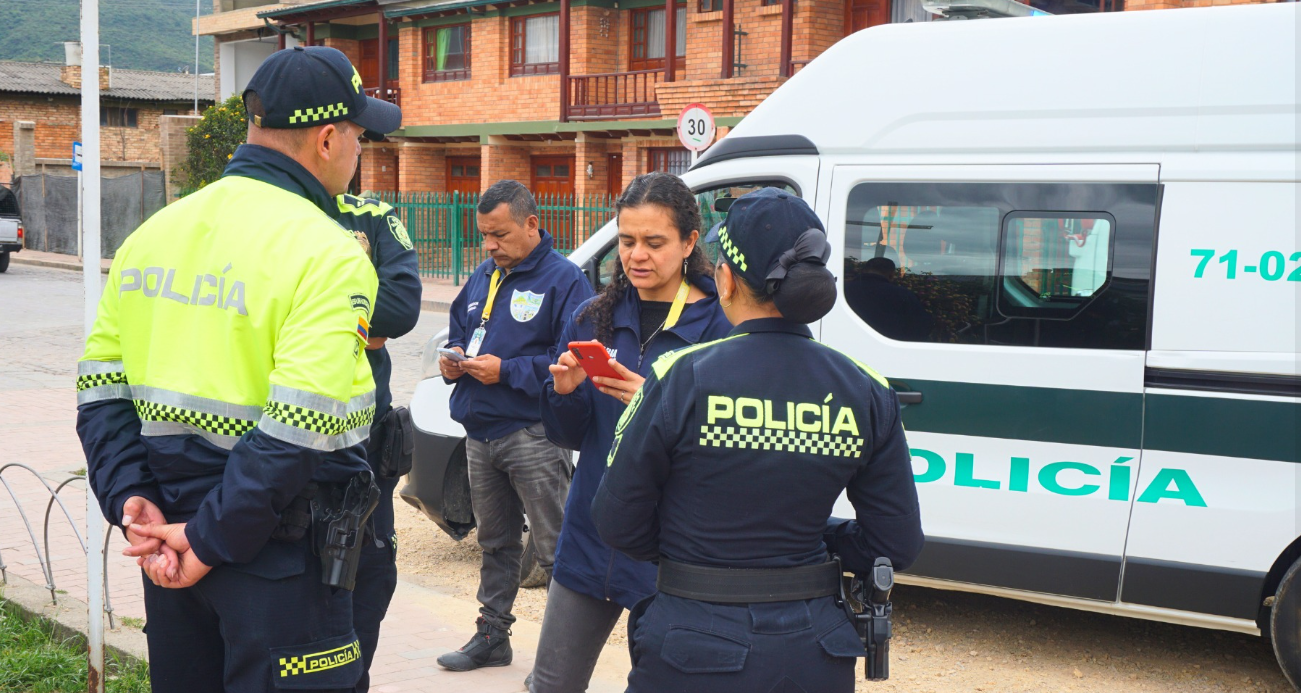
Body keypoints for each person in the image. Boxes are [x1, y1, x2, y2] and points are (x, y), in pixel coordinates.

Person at [75, 45, 402, 692]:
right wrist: (208, 540)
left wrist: (132, 501)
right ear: (329, 137)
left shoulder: (153, 234)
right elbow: (302, 424)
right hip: (278, 565)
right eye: (361, 136)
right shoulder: (329, 254)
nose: (360, 152)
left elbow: (100, 392)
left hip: (168, 552)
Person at [591, 188, 925, 693]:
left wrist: (693, 548)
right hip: (816, 652)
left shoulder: (682, 376)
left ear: (725, 280)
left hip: (692, 646)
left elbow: (617, 521)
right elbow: (895, 543)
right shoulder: (866, 388)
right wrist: (817, 539)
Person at [529, 173, 732, 693]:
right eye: (626, 241)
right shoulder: (593, 316)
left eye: (654, 242)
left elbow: (727, 448)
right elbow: (568, 436)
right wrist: (565, 392)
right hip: (590, 535)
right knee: (550, 684)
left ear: (690, 243)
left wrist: (659, 403)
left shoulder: (720, 329)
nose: (637, 255)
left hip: (670, 552)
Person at [436, 180, 593, 672]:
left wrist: (506, 370)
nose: (490, 246)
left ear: (531, 224)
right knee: (496, 542)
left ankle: (561, 659)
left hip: (533, 434)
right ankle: (491, 637)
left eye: (499, 234)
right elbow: (461, 329)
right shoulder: (486, 272)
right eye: (484, 235)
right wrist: (454, 360)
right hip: (481, 433)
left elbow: (569, 361)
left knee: (556, 548)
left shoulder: (565, 280)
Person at [333, 186, 422, 692]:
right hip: (283, 448)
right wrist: (357, 315)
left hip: (366, 451)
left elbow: (396, 310)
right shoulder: (263, 211)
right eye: (355, 132)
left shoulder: (370, 215)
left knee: (369, 582)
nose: (360, 145)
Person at [844, 256, 934, 341]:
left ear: (863, 271)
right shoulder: (903, 295)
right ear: (891, 275)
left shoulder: (842, 290)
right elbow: (921, 328)